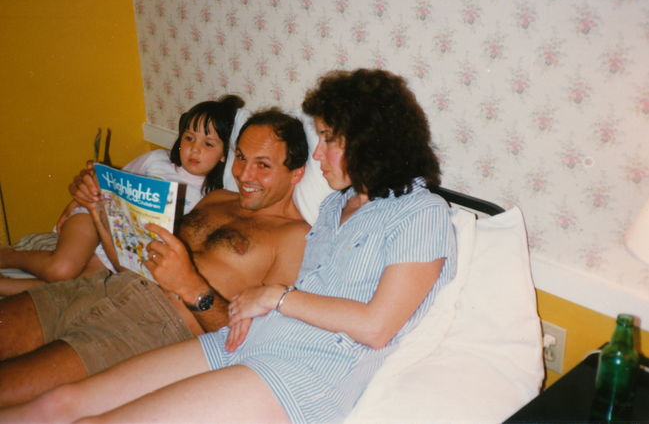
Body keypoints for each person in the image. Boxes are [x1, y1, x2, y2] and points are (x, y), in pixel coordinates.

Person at [1, 69, 458, 423]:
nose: (319, 155)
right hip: (241, 340)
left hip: (300, 372)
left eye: (329, 140)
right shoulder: (335, 207)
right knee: (60, 404)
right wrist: (254, 305)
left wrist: (274, 297)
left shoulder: (422, 212)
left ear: (372, 141)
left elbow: (377, 327)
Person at [0, 109, 310, 406]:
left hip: (147, 326)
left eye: (263, 165)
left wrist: (192, 287)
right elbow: (128, 263)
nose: (243, 174)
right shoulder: (217, 199)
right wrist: (98, 210)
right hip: (100, 287)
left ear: (296, 174)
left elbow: (254, 343)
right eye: (241, 157)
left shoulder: (294, 237)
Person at [0, 95, 244, 296]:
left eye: (208, 144)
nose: (195, 148)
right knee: (61, 270)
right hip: (94, 215)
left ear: (225, 155)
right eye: (189, 138)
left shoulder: (212, 197)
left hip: (124, 244)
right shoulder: (156, 160)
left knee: (75, 288)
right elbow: (108, 182)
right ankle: (9, 256)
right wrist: (75, 203)